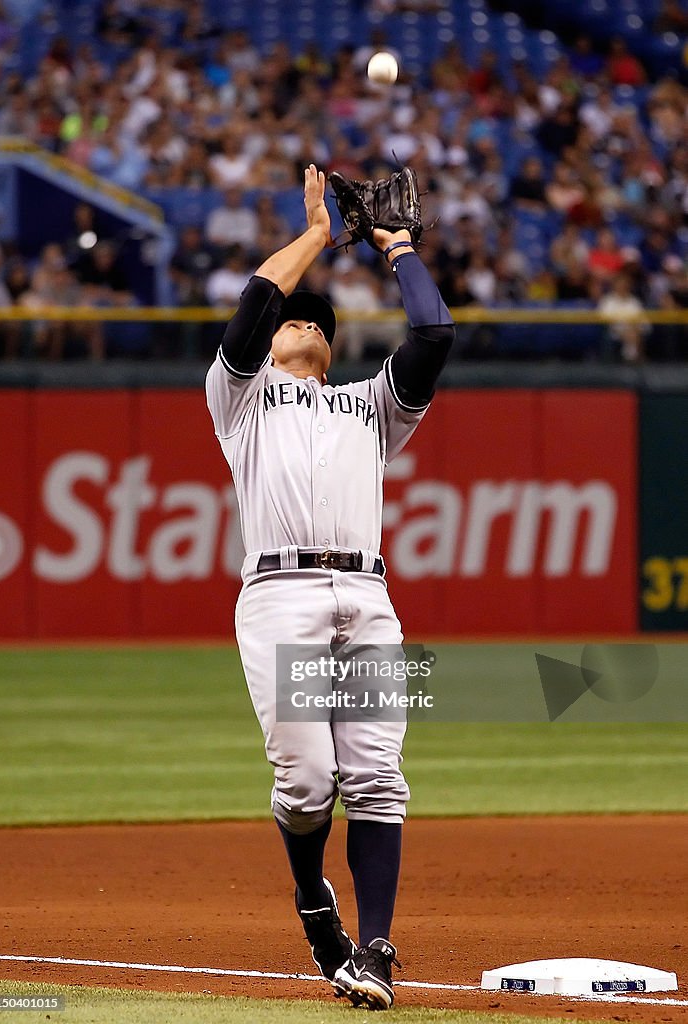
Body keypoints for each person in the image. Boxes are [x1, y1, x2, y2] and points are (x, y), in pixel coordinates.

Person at [205, 165, 455, 1010]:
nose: (301, 323)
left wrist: (397, 245)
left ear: (334, 345)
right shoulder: (241, 401)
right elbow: (252, 308)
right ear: (276, 343)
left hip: (369, 601)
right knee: (308, 784)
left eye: (318, 320)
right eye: (292, 320)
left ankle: (376, 948)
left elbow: (434, 333)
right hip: (281, 597)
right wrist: (319, 233)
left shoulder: (368, 407)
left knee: (379, 779)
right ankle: (316, 902)